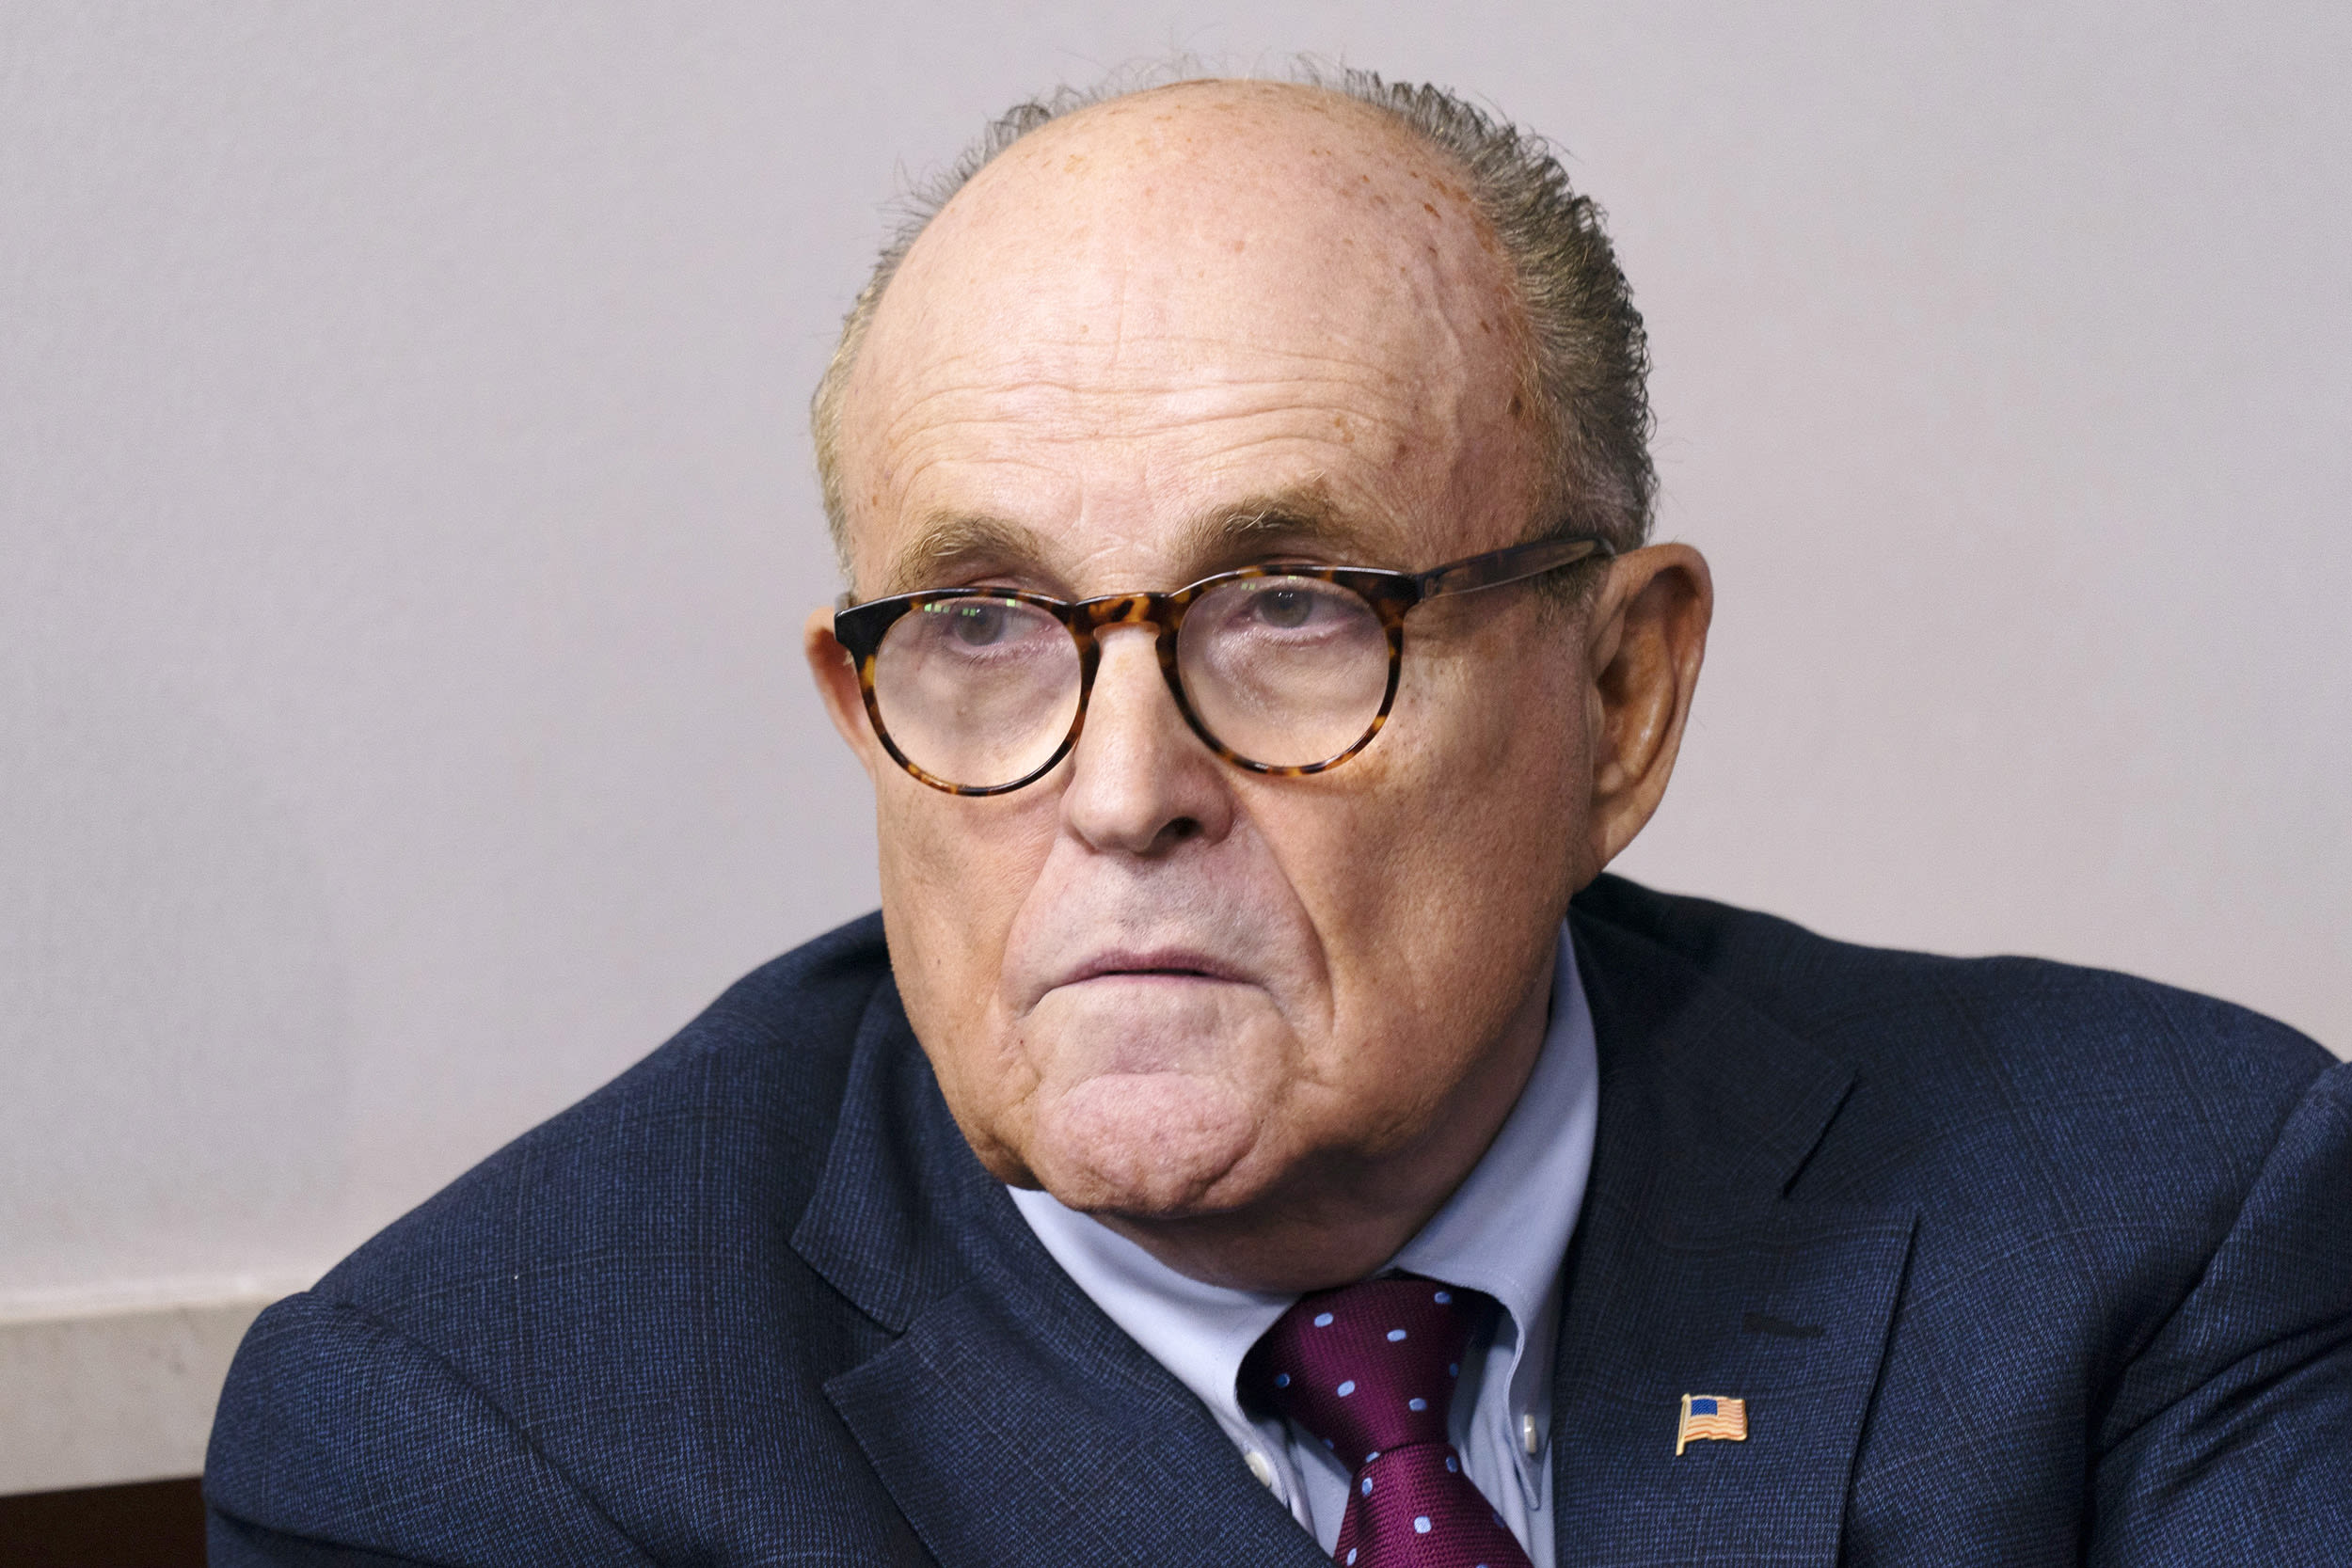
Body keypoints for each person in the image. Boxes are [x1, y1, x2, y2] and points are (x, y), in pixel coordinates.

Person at [205, 69, 2350, 1565]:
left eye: (1293, 610)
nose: (1123, 793)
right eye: (977, 622)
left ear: (1619, 694)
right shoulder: (484, 1438)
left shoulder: (2157, 1212)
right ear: (860, 711)